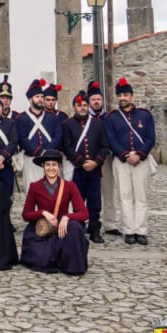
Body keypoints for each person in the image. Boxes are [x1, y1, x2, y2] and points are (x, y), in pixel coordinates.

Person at [104, 77, 156, 245]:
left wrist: (139, 155)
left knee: (141, 197)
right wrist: (125, 155)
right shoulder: (111, 117)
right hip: (121, 160)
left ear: (132, 96)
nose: (123, 98)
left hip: (141, 159)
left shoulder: (145, 115)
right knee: (124, 196)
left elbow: (150, 138)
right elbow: (111, 139)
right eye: (120, 95)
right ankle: (128, 230)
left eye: (126, 95)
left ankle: (141, 230)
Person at [20, 150, 89, 275]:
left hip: (62, 229)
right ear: (43, 166)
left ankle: (73, 266)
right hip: (43, 229)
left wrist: (66, 217)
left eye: (54, 165)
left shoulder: (69, 186)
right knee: (41, 257)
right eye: (48, 165)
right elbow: (26, 214)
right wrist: (42, 212)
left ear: (58, 167)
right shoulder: (35, 186)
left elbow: (84, 213)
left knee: (75, 227)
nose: (51, 168)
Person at [61, 91, 111, 244]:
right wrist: (81, 161)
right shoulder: (67, 124)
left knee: (95, 202)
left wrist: (96, 162)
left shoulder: (97, 124)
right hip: (78, 169)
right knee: (78, 201)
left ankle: (94, 229)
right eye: (79, 105)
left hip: (94, 170)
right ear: (74, 107)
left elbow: (104, 146)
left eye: (84, 105)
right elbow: (67, 147)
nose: (82, 108)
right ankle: (79, 228)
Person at [86, 80, 120, 237]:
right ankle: (89, 220)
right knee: (89, 193)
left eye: (98, 99)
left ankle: (110, 223)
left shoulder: (109, 117)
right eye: (93, 99)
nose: (96, 102)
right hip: (89, 160)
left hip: (105, 159)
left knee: (108, 191)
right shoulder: (84, 118)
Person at [17, 78, 64, 190]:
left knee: (52, 191)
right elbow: (22, 138)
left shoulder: (52, 117)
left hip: (49, 159)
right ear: (30, 99)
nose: (40, 99)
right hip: (31, 159)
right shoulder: (21, 118)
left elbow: (58, 136)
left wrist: (47, 151)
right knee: (31, 190)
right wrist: (39, 151)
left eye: (42, 97)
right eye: (37, 97)